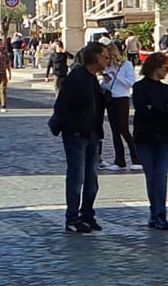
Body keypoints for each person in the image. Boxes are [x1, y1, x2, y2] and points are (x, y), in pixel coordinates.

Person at [51, 41, 109, 234]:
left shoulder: (93, 79)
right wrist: (74, 129)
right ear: (95, 58)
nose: (108, 60)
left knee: (91, 179)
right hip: (76, 135)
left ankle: (87, 215)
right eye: (105, 57)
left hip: (92, 134)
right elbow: (62, 106)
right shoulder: (77, 77)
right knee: (77, 177)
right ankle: (72, 218)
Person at [130, 52, 168, 230]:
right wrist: (163, 109)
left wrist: (157, 108)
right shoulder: (139, 87)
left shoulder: (167, 89)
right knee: (152, 176)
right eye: (165, 67)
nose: (167, 71)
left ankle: (160, 213)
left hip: (165, 137)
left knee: (161, 176)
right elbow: (144, 110)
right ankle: (155, 213)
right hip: (145, 137)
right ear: (155, 68)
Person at [102, 43, 138, 171]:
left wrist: (118, 77)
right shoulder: (107, 67)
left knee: (124, 129)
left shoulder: (126, 65)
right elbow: (105, 86)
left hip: (122, 98)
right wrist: (105, 82)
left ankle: (136, 158)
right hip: (111, 99)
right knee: (114, 131)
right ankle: (119, 161)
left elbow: (132, 82)